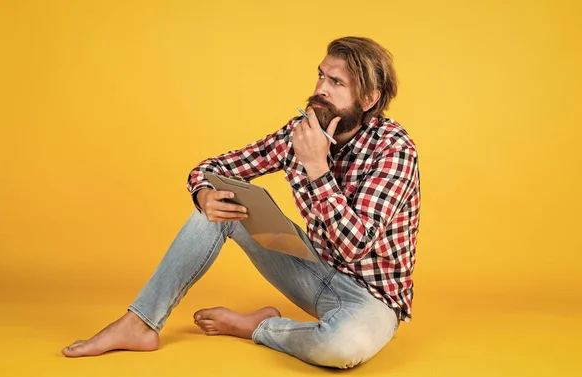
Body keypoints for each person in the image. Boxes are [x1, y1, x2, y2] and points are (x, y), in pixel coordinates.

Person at [62, 36, 421, 369]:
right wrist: (203, 193)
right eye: (321, 76)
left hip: (371, 298)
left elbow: (355, 245)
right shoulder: (300, 131)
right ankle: (139, 323)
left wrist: (317, 168)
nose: (319, 90)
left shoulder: (394, 149)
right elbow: (214, 168)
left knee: (342, 348)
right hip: (312, 269)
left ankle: (260, 327)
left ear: (370, 99)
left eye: (336, 83)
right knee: (220, 202)